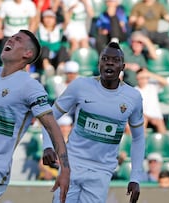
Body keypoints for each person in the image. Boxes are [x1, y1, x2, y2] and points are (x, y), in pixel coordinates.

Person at [0, 29, 70, 203]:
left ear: (28, 53)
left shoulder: (29, 86)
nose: (10, 39)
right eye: (11, 37)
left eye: (17, 39)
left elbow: (51, 125)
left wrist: (64, 170)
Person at [43, 41, 145, 203]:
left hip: (101, 171)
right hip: (72, 164)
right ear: (99, 64)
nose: (109, 62)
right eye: (105, 58)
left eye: (115, 60)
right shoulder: (81, 86)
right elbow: (50, 116)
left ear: (123, 66)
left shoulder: (133, 97)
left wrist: (135, 177)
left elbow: (139, 138)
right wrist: (47, 146)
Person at [34, 9, 69, 77]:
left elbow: (67, 21)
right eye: (46, 17)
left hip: (56, 57)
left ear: (55, 19)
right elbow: (35, 20)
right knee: (44, 48)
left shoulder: (58, 29)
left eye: (51, 18)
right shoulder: (40, 28)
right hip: (42, 58)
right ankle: (47, 68)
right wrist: (39, 7)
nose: (49, 20)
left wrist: (63, 7)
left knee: (63, 48)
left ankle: (61, 68)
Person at [135, 68, 167, 134]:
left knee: (161, 125)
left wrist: (149, 74)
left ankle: (164, 143)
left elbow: (165, 82)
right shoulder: (135, 90)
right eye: (141, 77)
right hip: (143, 116)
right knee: (142, 119)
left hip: (156, 116)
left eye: (145, 77)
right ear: (137, 78)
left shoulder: (153, 86)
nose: (143, 80)